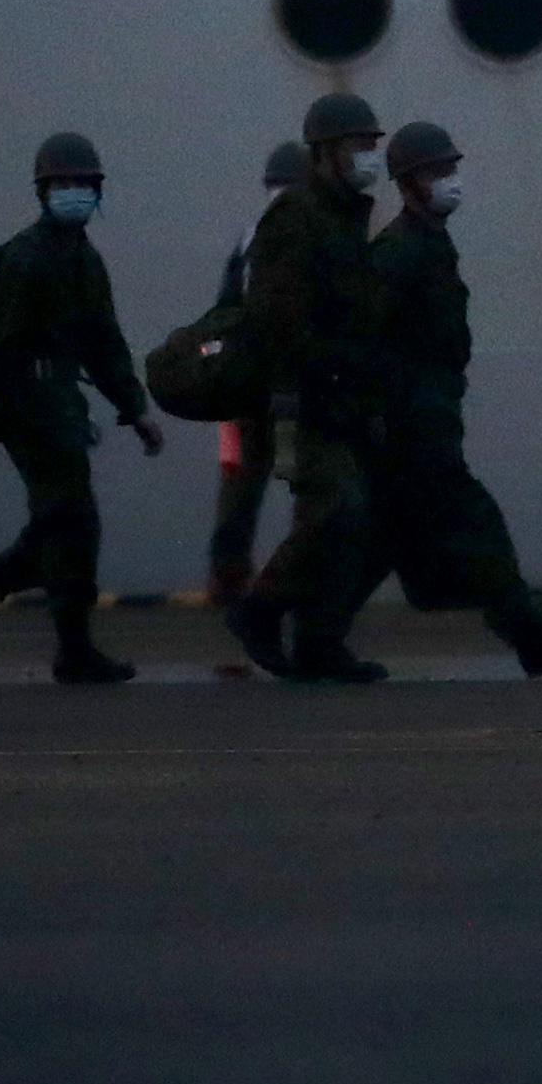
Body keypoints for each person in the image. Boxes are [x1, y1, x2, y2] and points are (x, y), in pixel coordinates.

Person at [281, 122, 542, 680]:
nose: (450, 182)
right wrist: (381, 412)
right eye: (437, 173)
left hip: (423, 417)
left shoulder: (426, 243)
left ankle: (309, 639)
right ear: (408, 184)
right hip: (412, 424)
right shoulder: (402, 251)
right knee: (476, 520)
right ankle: (529, 631)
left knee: (385, 537)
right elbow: (366, 339)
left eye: (451, 170)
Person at [0, 132, 165, 684]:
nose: (74, 192)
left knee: (59, 530)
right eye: (63, 184)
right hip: (29, 413)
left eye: (83, 184)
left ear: (97, 191)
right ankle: (70, 651)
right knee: (72, 524)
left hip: (60, 410)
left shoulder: (83, 258)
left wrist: (135, 408)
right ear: (44, 191)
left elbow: (104, 343)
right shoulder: (28, 258)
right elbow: (2, 346)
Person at [228, 91, 391, 681]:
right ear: (324, 153)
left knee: (353, 517)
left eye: (372, 146)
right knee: (338, 506)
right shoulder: (295, 216)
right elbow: (278, 317)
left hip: (343, 393)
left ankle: (319, 642)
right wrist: (304, 386)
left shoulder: (346, 214)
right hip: (300, 397)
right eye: (358, 146)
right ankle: (261, 608)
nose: (369, 156)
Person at [204, 137, 308, 604]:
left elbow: (224, 310)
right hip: (290, 394)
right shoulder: (310, 239)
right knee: (313, 486)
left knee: (242, 491)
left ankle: (230, 583)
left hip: (247, 392)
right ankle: (287, 588)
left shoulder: (248, 240)